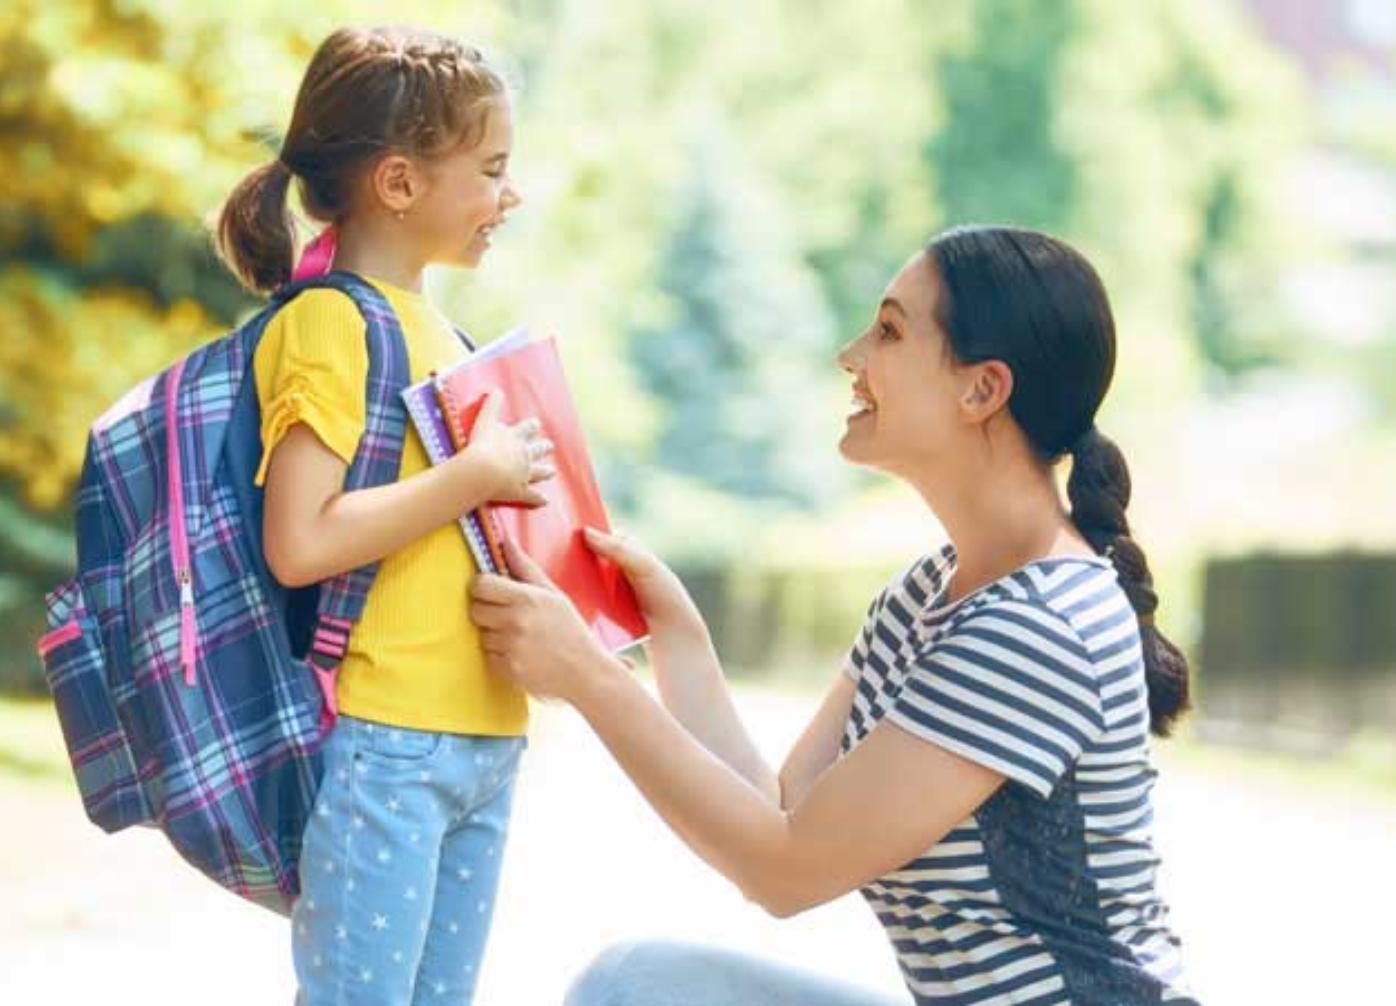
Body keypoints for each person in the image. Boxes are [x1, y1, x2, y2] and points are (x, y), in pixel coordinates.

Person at [470, 225, 1201, 1005]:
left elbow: (786, 871)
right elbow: (781, 811)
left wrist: (587, 678)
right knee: (639, 983)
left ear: (982, 389)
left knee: (637, 989)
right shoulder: (928, 593)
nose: (851, 355)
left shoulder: (1042, 624)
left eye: (888, 331)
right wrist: (678, 642)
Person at [215, 25, 554, 1006]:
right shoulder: (329, 319)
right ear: (399, 184)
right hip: (387, 744)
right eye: (491, 168)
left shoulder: (450, 334)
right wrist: (472, 475)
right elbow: (301, 539)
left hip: (484, 738)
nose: (511, 193)